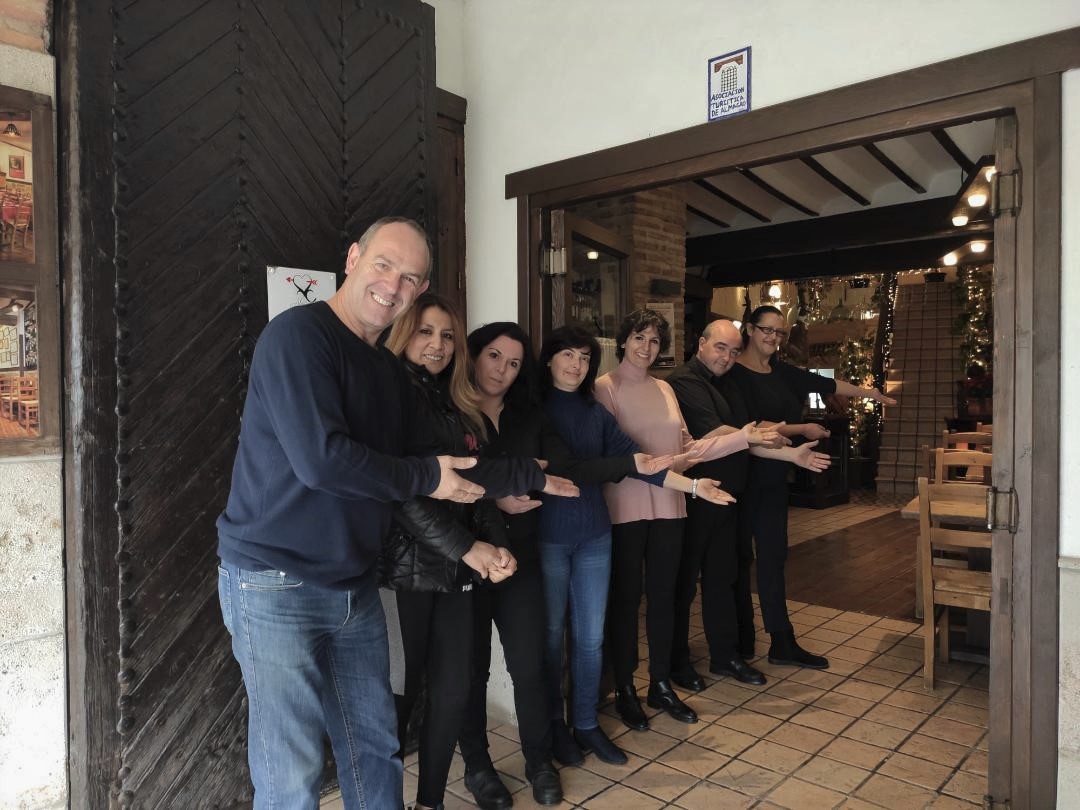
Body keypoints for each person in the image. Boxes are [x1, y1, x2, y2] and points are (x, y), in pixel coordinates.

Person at [216, 217, 487, 809]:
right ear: (354, 256)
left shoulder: (388, 370)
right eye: (384, 265)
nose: (393, 286)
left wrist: (528, 477)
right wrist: (427, 478)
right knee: (293, 771)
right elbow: (323, 462)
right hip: (272, 582)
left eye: (410, 278)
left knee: (375, 747)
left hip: (352, 587)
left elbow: (426, 455)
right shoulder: (297, 337)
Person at [456, 322, 668, 807]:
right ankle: (501, 756)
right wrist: (515, 489)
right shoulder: (463, 411)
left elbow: (577, 465)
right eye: (493, 357)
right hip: (497, 548)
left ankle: (564, 739)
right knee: (486, 664)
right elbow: (458, 476)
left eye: (511, 362)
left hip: (556, 542)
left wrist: (679, 477)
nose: (502, 369)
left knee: (561, 649)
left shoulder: (533, 412)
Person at [382, 293, 575, 810]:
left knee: (451, 691)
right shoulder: (391, 394)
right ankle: (385, 798)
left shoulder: (461, 409)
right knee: (398, 697)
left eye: (446, 335)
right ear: (403, 333)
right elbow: (404, 493)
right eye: (425, 332)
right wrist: (473, 547)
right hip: (405, 573)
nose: (437, 344)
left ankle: (431, 801)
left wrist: (496, 546)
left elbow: (480, 487)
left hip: (458, 573)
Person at [537, 326, 736, 764]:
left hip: (595, 533)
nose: (576, 364)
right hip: (550, 536)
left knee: (590, 639)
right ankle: (554, 726)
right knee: (553, 637)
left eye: (585, 357)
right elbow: (573, 468)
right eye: (567, 354)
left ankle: (586, 724)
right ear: (549, 359)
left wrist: (695, 486)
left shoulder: (594, 409)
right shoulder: (536, 410)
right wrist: (626, 463)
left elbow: (643, 464)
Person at [595, 308, 759, 731]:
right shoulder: (604, 389)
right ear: (623, 340)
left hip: (671, 508)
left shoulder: (666, 389)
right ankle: (626, 688)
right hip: (625, 511)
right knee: (628, 602)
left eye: (654, 340)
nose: (646, 347)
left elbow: (690, 448)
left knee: (666, 598)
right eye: (639, 338)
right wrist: (685, 474)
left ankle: (660, 683)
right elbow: (620, 461)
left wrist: (744, 438)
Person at [667, 318, 831, 689]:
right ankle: (676, 662)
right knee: (685, 583)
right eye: (720, 347)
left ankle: (725, 657)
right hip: (696, 495)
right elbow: (720, 434)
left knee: (723, 578)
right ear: (701, 344)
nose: (727, 357)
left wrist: (790, 456)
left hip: (728, 496)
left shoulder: (728, 385)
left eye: (733, 351)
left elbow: (747, 434)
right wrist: (771, 440)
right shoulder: (684, 382)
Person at [729, 305, 896, 669]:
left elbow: (828, 385)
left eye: (779, 332)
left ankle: (781, 641)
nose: (773, 337)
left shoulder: (782, 372)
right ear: (749, 329)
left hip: (774, 479)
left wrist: (870, 392)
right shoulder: (732, 374)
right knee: (739, 563)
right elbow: (750, 426)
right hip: (741, 479)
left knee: (773, 560)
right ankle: (739, 641)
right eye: (766, 330)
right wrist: (800, 429)